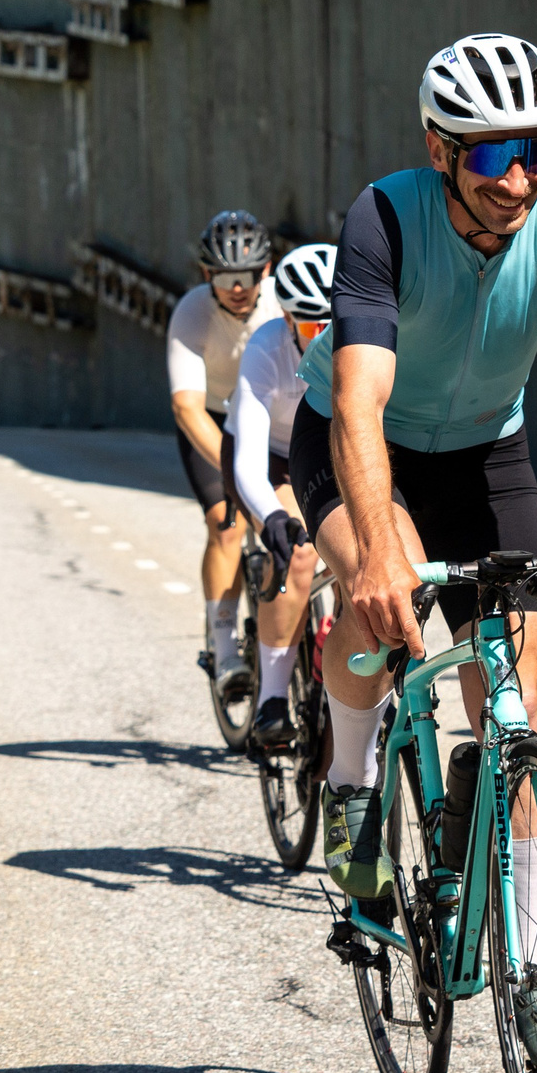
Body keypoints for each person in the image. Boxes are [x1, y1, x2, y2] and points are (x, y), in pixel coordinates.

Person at [291, 33, 537, 1064]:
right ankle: (346, 784)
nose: (516, 178)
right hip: (358, 444)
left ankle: (533, 966)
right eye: (487, 156)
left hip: (484, 451)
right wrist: (378, 551)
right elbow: (358, 397)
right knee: (381, 614)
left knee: (517, 690)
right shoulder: (381, 218)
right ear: (439, 150)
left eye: (536, 152)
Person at [165, 210, 284, 692]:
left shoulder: (282, 303)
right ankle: (224, 642)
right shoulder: (192, 313)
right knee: (227, 522)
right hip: (213, 417)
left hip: (273, 413)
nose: (238, 288)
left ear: (266, 270)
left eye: (249, 276)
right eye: (225, 277)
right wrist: (239, 470)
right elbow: (186, 407)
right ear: (206, 275)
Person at [225, 242, 335, 751]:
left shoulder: (365, 338)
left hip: (334, 450)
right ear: (287, 318)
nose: (325, 337)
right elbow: (247, 451)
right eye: (312, 327)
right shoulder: (267, 346)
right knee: (297, 553)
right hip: (273, 457)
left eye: (334, 322)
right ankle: (271, 700)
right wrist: (271, 516)